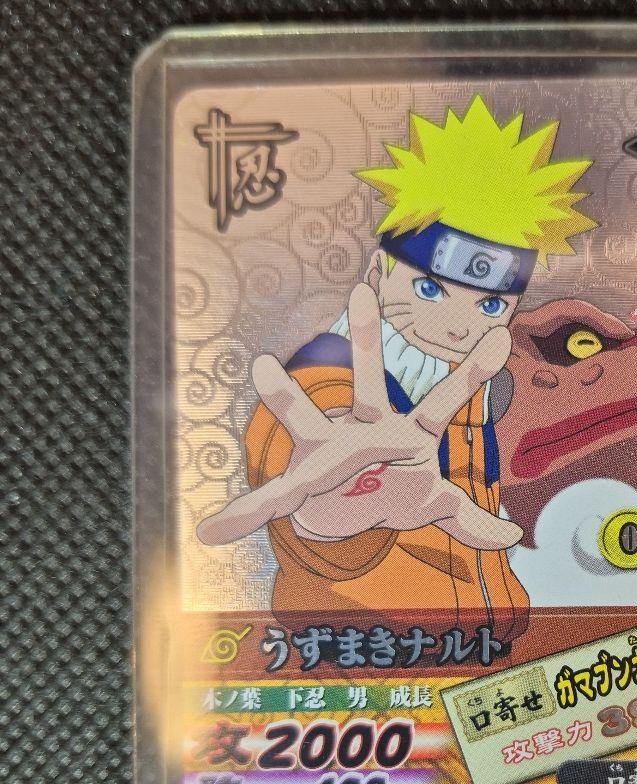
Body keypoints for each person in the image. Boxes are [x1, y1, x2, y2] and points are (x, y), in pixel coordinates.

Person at [197, 96, 595, 642]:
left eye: (489, 305)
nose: (458, 326)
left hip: (480, 651)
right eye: (429, 289)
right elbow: (298, 446)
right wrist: (325, 512)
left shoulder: (476, 385)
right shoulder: (331, 370)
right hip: (359, 650)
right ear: (376, 274)